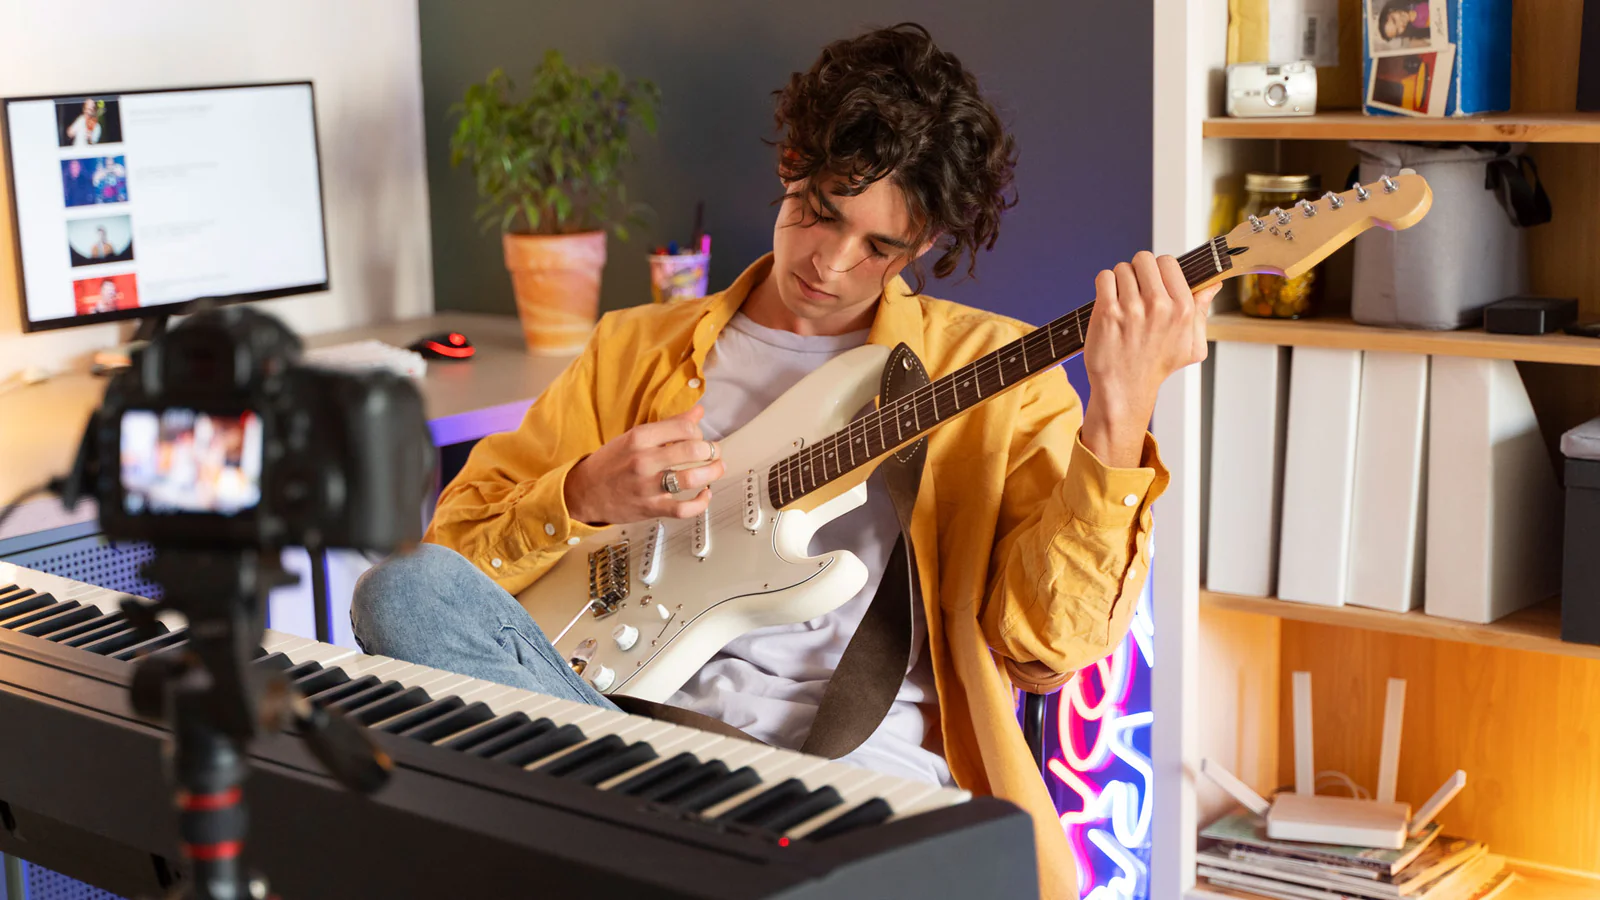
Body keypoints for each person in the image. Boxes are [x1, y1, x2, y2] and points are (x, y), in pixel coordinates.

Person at [351, 23, 1213, 899]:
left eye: (879, 248)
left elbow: (1046, 653)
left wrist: (1120, 410)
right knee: (398, 589)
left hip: (847, 786)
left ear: (921, 248)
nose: (831, 264)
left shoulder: (994, 375)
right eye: (820, 213)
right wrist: (583, 493)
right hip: (616, 731)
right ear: (791, 165)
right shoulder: (633, 348)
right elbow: (455, 560)